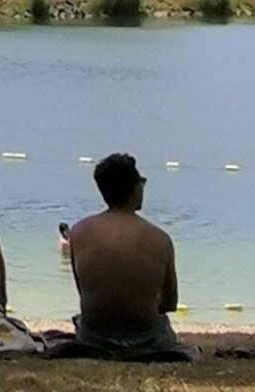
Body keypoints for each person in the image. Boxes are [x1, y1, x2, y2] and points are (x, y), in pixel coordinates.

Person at [67, 153, 191, 358]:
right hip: (146, 338)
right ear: (135, 188)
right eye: (141, 182)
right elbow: (170, 303)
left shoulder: (79, 232)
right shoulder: (160, 239)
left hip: (94, 336)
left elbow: (85, 293)